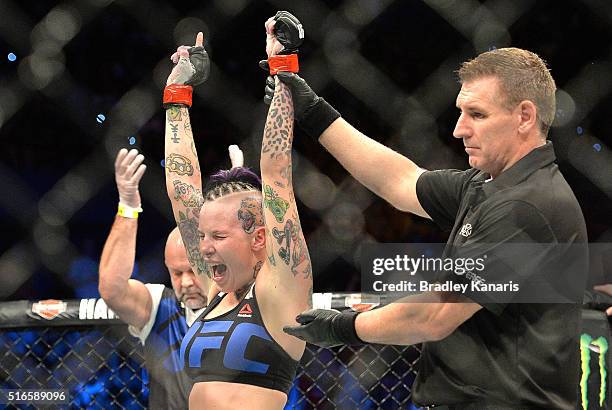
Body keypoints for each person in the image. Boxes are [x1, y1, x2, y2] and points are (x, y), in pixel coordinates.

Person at [279, 48, 588, 408]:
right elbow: (399, 179)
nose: (459, 129)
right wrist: (315, 113)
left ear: (524, 116)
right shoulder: (488, 187)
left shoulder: (525, 206)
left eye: (477, 114)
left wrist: (341, 328)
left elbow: (435, 314)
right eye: (461, 112)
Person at [161, 12, 312, 410]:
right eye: (204, 236)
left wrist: (283, 67)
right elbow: (182, 191)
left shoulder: (282, 288)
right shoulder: (218, 288)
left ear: (259, 237)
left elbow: (277, 174)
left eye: (219, 237)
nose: (203, 248)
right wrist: (177, 94)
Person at [98, 147, 240, 409]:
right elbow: (112, 289)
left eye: (193, 270)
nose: (185, 282)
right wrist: (128, 207)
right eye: (176, 273)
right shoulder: (161, 308)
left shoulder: (243, 301)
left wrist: (241, 206)